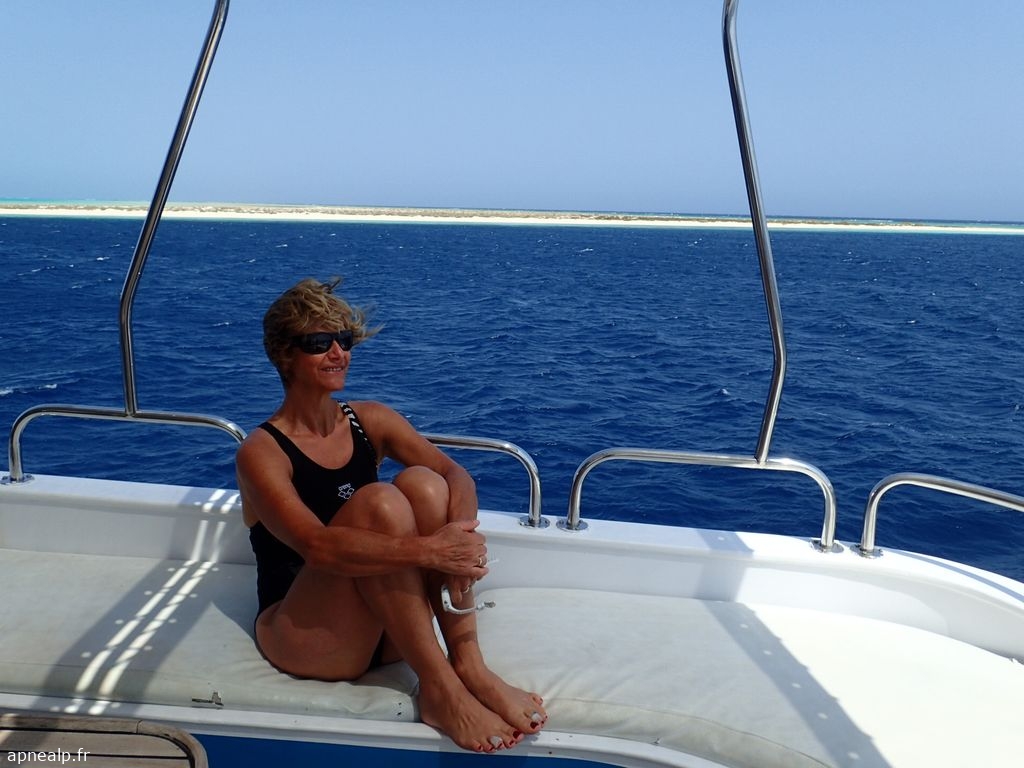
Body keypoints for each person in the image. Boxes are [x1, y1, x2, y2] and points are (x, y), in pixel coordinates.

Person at [236, 277, 546, 753]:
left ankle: (469, 665)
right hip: (308, 637)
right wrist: (431, 552)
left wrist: (461, 541)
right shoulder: (262, 451)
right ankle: (440, 689)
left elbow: (456, 474)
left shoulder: (368, 420)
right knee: (379, 503)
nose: (338, 353)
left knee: (425, 484)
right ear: (284, 355)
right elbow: (317, 547)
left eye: (345, 340)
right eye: (319, 343)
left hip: (387, 630)